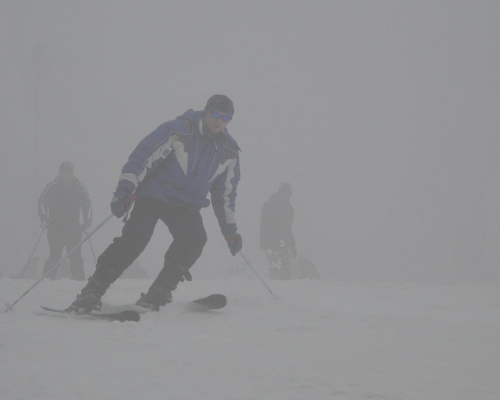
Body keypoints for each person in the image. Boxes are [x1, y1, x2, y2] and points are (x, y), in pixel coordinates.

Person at [66, 94, 242, 313]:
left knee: (194, 239)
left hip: (186, 205)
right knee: (136, 238)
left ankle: (158, 292)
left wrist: (230, 231)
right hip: (155, 194)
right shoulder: (179, 130)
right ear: (206, 112)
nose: (219, 121)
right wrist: (125, 190)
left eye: (225, 118)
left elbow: (225, 195)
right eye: (215, 114)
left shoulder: (229, 152)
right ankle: (92, 291)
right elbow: (143, 157)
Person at [38, 161, 92, 281]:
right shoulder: (52, 186)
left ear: (72, 173)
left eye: (68, 172)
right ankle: (46, 280)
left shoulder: (80, 187)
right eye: (64, 171)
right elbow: (42, 202)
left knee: (75, 256)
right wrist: (44, 219)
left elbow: (87, 206)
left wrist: (86, 224)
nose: (66, 174)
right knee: (55, 255)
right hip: (55, 227)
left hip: (74, 229)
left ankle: (79, 282)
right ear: (60, 172)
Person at [260, 182, 297, 279]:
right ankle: (280, 289)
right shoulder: (282, 207)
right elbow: (285, 228)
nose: (287, 195)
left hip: (271, 241)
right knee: (281, 269)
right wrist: (291, 244)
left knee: (276, 268)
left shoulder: (271, 204)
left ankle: (276, 286)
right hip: (277, 241)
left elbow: (285, 227)